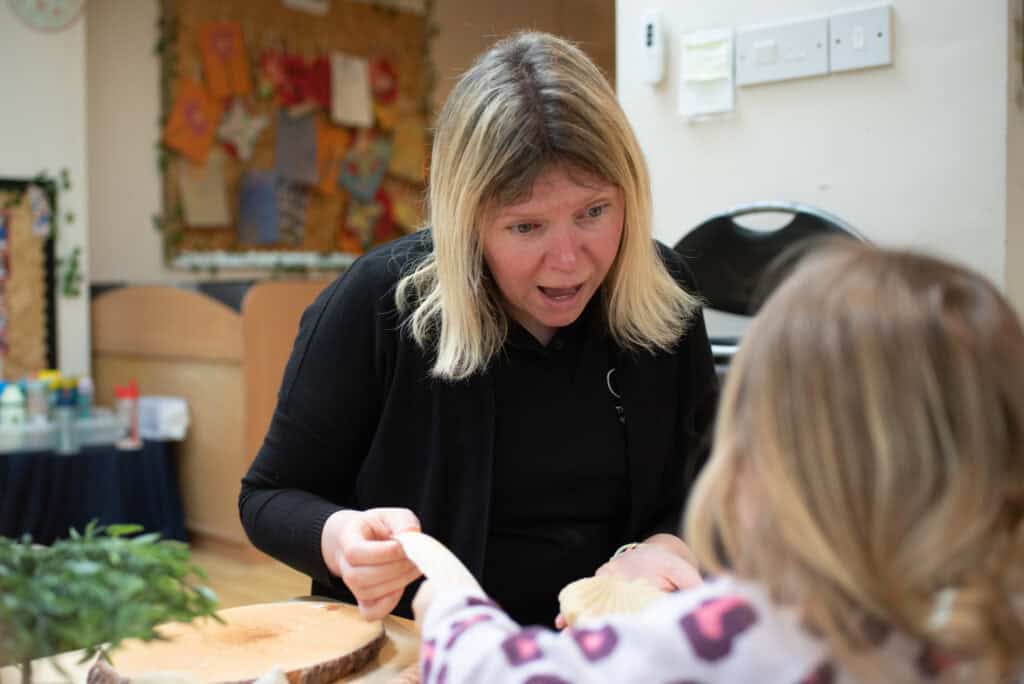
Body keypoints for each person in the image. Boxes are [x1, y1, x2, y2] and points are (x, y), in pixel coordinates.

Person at [238, 31, 718, 626]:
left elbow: (715, 485)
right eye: (526, 227)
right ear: (466, 221)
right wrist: (339, 537)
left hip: (607, 649)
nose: (568, 260)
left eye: (594, 212)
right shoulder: (379, 301)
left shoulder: (664, 293)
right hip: (426, 648)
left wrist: (669, 544)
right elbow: (267, 496)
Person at [410, 241, 1024, 683]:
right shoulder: (996, 622)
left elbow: (501, 672)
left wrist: (449, 608)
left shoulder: (739, 635)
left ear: (762, 463)